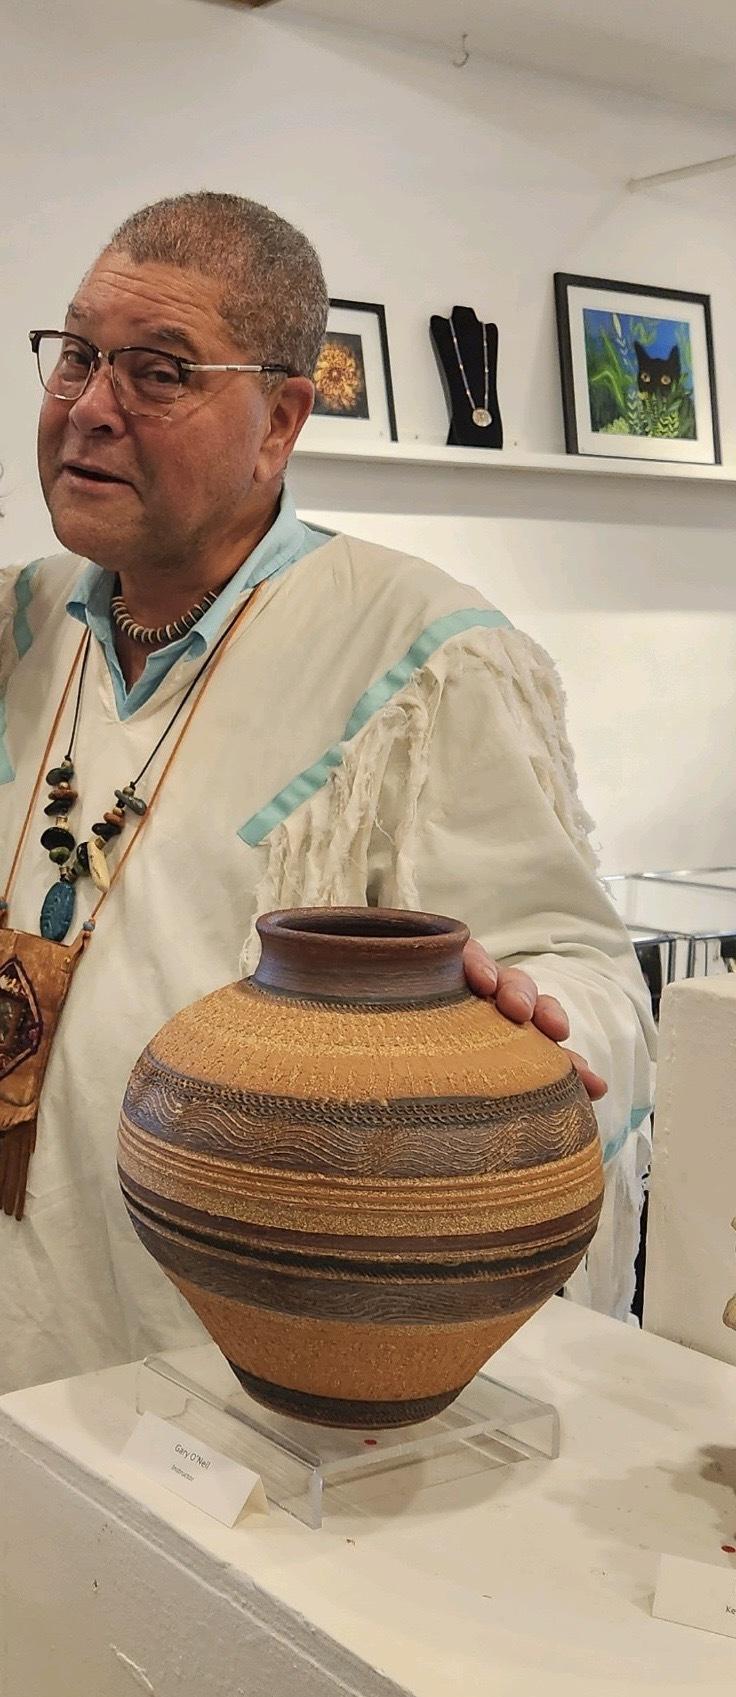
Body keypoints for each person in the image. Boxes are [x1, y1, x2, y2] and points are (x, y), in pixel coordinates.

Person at [0, 192, 655, 1395]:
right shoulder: (18, 623)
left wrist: (524, 1010)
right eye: (79, 356)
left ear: (281, 419)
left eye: (158, 373)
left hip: (232, 1375)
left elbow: (580, 963)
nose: (91, 407)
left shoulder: (419, 656)